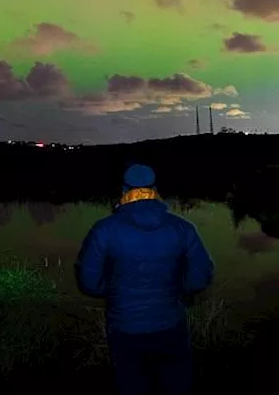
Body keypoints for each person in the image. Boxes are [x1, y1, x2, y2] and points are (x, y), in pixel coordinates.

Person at [75, 163, 214, 395]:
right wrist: (178, 290)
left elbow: (90, 283)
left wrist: (116, 293)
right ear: (155, 190)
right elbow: (200, 279)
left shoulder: (104, 230)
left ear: (124, 190)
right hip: (171, 325)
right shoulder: (182, 228)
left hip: (124, 329)